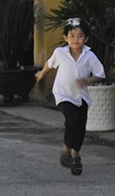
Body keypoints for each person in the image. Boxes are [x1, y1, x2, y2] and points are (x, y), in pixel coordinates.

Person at [35, 18, 104, 176]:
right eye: (72, 36)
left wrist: (86, 80)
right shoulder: (60, 53)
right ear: (66, 38)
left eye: (80, 36)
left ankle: (75, 155)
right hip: (63, 94)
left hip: (82, 97)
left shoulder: (90, 56)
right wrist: (41, 75)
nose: (76, 39)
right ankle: (67, 149)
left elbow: (99, 74)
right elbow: (49, 64)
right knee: (71, 120)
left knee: (80, 128)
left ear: (85, 38)